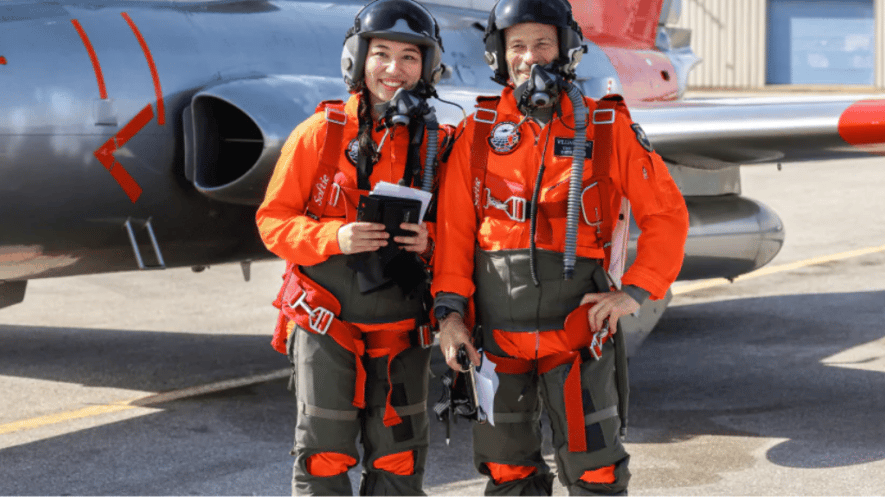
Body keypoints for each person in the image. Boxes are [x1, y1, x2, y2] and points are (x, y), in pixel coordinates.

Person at [431, 0, 690, 495]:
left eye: (542, 44)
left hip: (577, 338)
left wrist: (636, 290)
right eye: (517, 46)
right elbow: (454, 235)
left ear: (566, 50)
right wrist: (450, 316)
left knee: (595, 469)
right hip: (498, 341)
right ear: (499, 55)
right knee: (507, 470)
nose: (529, 57)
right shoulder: (478, 133)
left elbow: (667, 215)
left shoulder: (607, 128)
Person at [256, 0, 452, 495]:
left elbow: (467, 234)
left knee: (400, 462)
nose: (393, 69)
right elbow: (272, 221)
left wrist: (431, 240)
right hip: (327, 325)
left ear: (428, 66)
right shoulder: (319, 135)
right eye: (381, 54)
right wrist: (333, 237)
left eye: (409, 57)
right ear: (357, 59)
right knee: (324, 456)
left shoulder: (442, 146)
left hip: (402, 330)